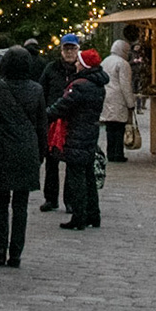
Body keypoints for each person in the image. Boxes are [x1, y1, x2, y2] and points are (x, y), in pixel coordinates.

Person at [0, 45, 46, 266]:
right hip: (26, 148)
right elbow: (41, 125)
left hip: (2, 147)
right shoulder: (36, 90)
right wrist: (41, 152)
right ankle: (16, 252)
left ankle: (1, 248)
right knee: (21, 204)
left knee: (0, 202)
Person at [49, 47, 108, 230]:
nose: (75, 64)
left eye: (78, 62)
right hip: (90, 133)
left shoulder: (80, 86)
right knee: (89, 175)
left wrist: (44, 115)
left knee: (76, 176)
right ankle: (93, 214)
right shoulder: (98, 85)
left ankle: (79, 216)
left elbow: (63, 106)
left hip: (76, 134)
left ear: (84, 65)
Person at [37, 35, 81, 211]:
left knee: (71, 161)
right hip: (53, 120)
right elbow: (42, 90)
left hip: (73, 120)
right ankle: (51, 198)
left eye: (72, 49)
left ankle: (70, 200)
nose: (69, 52)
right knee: (51, 161)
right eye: (66, 49)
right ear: (61, 50)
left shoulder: (80, 69)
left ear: (78, 50)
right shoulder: (51, 68)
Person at [100, 39, 138, 162]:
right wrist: (130, 103)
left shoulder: (105, 61)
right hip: (118, 99)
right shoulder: (123, 64)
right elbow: (125, 85)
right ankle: (118, 153)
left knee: (110, 128)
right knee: (119, 128)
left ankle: (110, 153)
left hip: (106, 97)